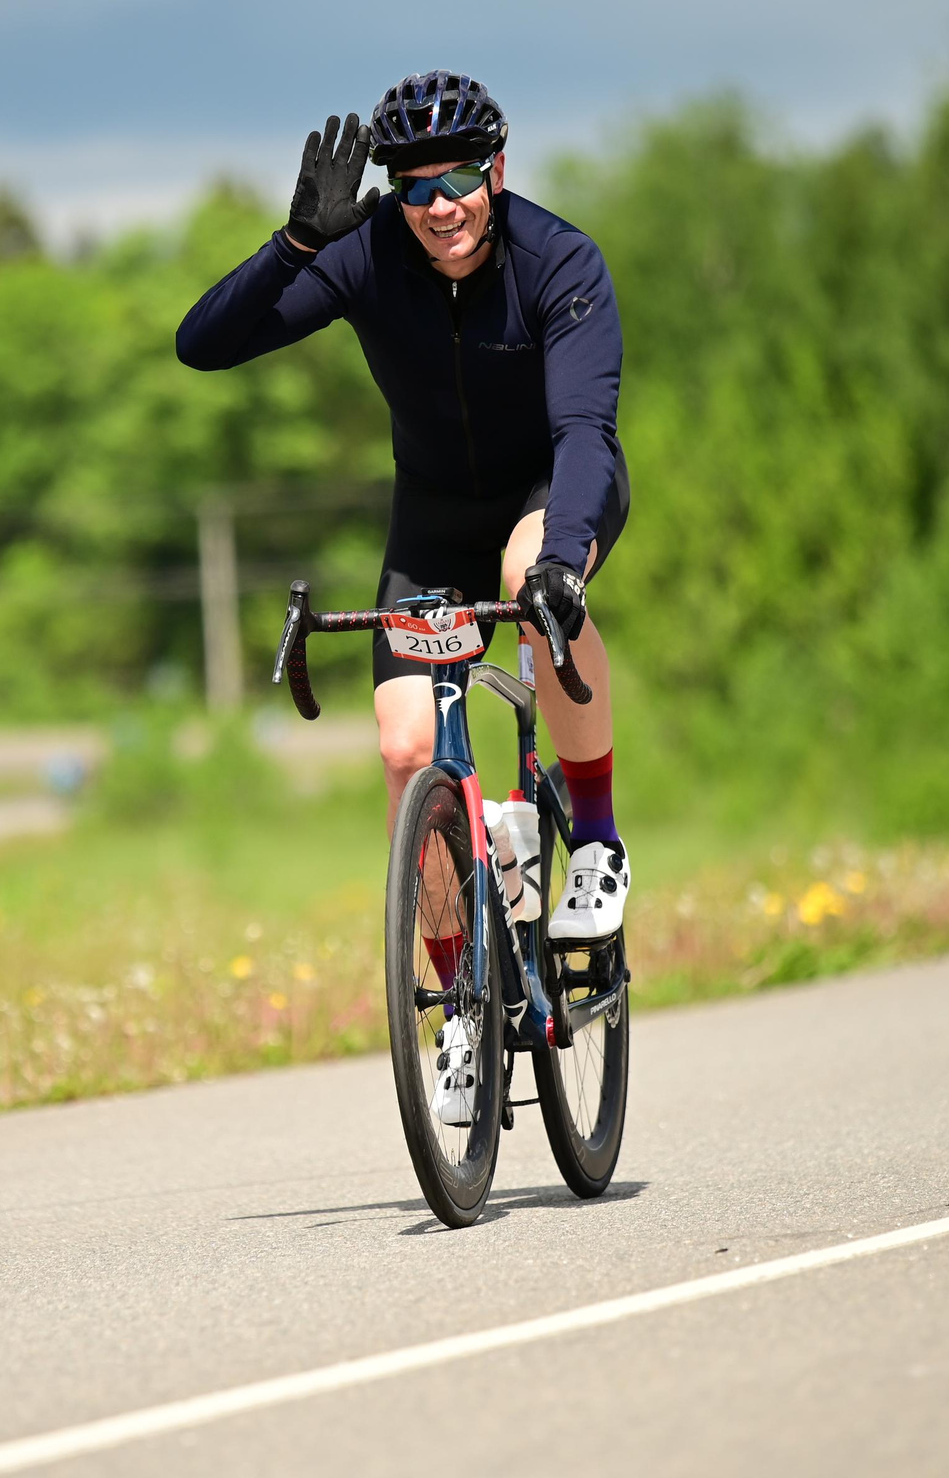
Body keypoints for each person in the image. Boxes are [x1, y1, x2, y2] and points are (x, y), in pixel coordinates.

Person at [176, 71, 633, 958]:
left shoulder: (559, 260)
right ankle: (459, 1000)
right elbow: (203, 347)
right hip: (433, 515)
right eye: (414, 187)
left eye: (458, 179)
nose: (439, 206)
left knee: (526, 586)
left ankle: (600, 843)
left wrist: (563, 559)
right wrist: (297, 243)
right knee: (405, 752)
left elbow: (584, 429)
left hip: (555, 489)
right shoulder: (370, 254)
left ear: (496, 172)